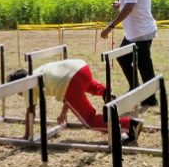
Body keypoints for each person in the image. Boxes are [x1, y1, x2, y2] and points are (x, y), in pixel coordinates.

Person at [8, 59, 143, 144]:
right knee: (88, 85)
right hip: (81, 68)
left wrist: (26, 135)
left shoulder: (27, 86)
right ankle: (106, 92)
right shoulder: (37, 71)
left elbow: (30, 111)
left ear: (18, 85)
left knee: (90, 120)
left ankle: (130, 125)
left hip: (70, 82)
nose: (17, 94)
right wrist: (63, 113)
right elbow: (67, 93)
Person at [100, 0, 158, 107]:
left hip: (141, 33)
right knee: (124, 58)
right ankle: (136, 88)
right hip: (135, 33)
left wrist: (111, 26)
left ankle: (150, 98)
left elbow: (129, 7)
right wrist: (119, 4)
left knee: (144, 64)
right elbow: (128, 4)